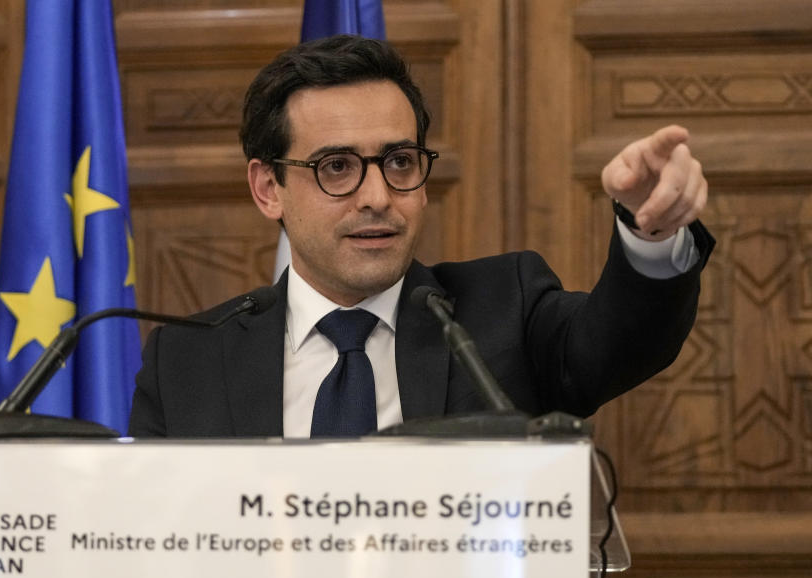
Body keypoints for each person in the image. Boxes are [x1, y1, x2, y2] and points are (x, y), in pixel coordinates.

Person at [128, 35, 713, 438]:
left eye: (400, 162)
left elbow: (619, 343)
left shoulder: (501, 312)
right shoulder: (188, 359)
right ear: (268, 188)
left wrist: (652, 229)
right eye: (337, 167)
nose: (379, 197)